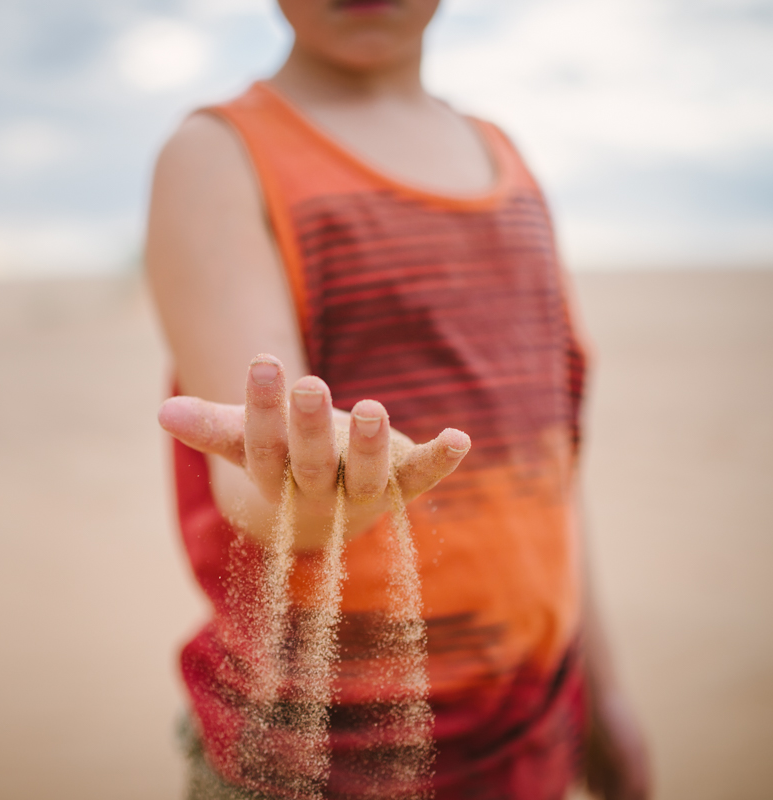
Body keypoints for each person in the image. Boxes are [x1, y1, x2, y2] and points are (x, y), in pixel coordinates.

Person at [146, 1, 651, 798]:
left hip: (530, 733)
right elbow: (254, 481)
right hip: (315, 751)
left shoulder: (506, 159)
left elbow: (554, 479)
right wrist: (318, 492)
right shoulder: (217, 155)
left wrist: (602, 691)